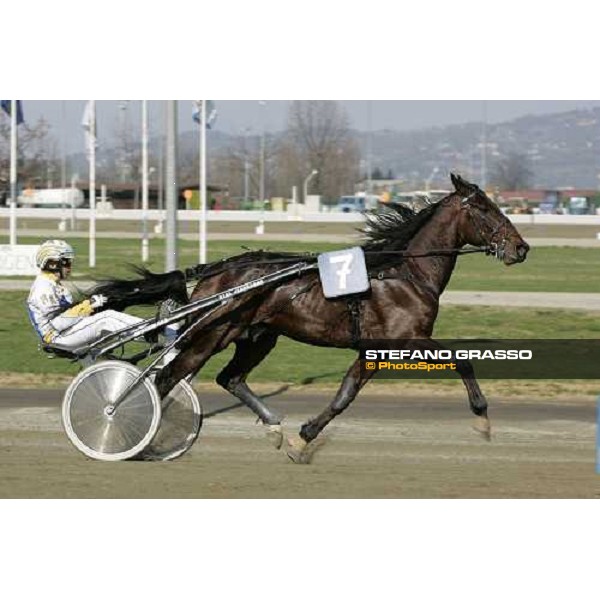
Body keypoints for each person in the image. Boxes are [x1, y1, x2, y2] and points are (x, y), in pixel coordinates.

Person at [27, 240, 178, 358]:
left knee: (110, 321)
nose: (69, 266)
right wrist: (88, 305)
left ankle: (165, 335)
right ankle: (153, 332)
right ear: (52, 263)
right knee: (107, 318)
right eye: (66, 262)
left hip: (65, 333)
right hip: (58, 338)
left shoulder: (53, 285)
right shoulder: (43, 289)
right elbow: (57, 324)